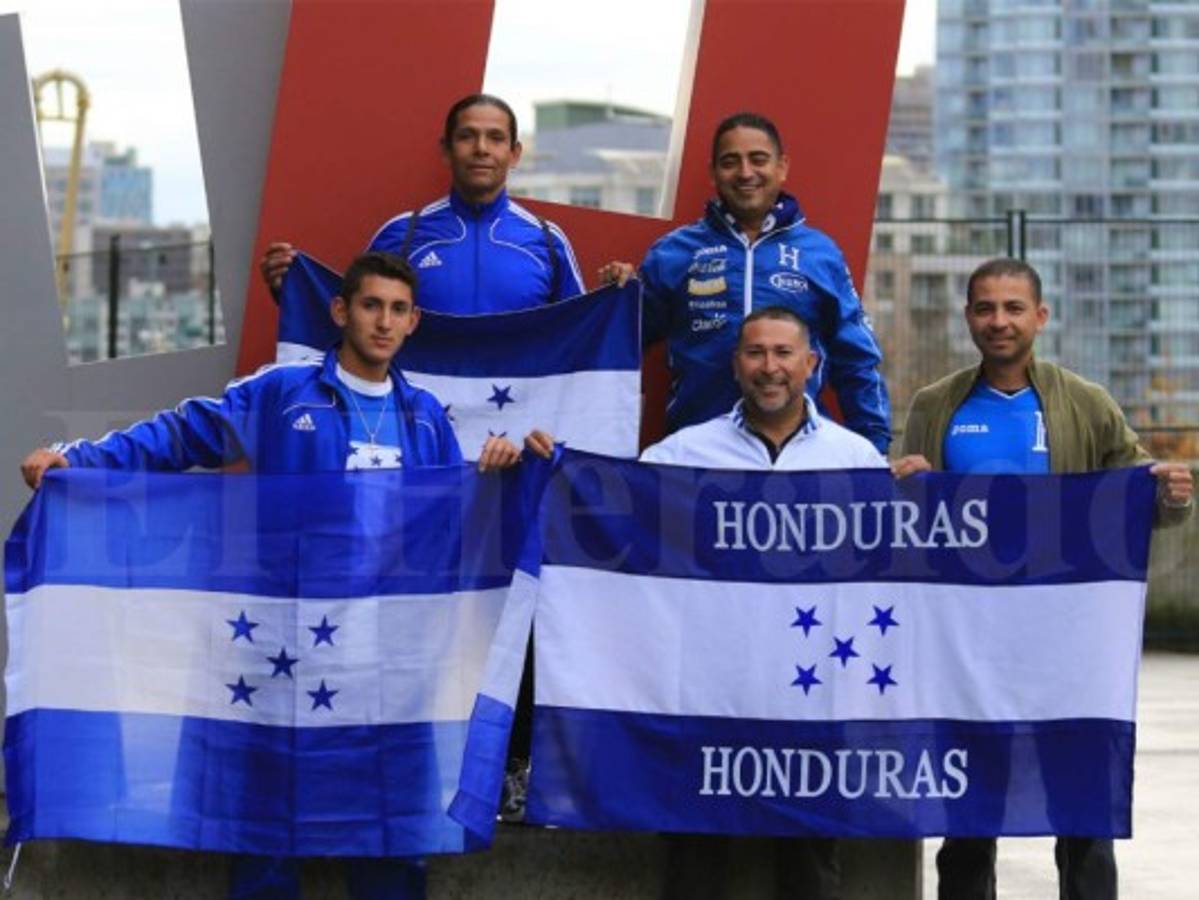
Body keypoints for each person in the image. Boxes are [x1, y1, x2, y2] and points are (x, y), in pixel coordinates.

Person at [21, 251, 521, 900]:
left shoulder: (426, 418)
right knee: (267, 828)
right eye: (370, 305)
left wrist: (503, 476)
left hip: (384, 659)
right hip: (285, 644)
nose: (383, 322)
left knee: (389, 835)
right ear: (341, 311)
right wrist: (77, 458)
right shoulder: (281, 392)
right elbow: (181, 434)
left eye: (398, 310)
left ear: (413, 321)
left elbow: (451, 532)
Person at [527, 305, 887, 900]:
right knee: (696, 861)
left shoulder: (855, 460)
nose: (769, 367)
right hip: (707, 697)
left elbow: (892, 569)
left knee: (811, 866)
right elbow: (611, 513)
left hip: (812, 703)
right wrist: (554, 469)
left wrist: (921, 497)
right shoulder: (685, 453)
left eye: (783, 353)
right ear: (735, 364)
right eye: (755, 353)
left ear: (811, 364)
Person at [891, 257, 1193, 900]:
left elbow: (1138, 498)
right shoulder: (934, 405)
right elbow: (913, 529)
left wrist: (1171, 493)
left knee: (1082, 810)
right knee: (968, 813)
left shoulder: (1086, 402)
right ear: (968, 317)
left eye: (1013, 308)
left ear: (1041, 316)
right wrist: (906, 488)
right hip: (970, 649)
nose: (998, 321)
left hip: (1069, 649)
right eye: (985, 308)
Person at [600, 111, 890, 454]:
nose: (745, 173)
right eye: (730, 161)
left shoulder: (820, 254)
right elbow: (617, 347)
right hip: (698, 454)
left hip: (799, 456)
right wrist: (612, 299)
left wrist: (877, 450)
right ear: (713, 172)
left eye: (758, 160)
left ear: (782, 167)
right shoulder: (673, 253)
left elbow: (856, 360)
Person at [259, 94, 585, 314]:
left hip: (519, 416)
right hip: (417, 416)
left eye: (495, 138)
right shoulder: (401, 235)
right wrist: (290, 290)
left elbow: (586, 334)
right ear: (446, 150)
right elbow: (352, 323)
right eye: (467, 136)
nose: (481, 149)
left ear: (514, 154)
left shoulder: (547, 241)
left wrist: (619, 291)